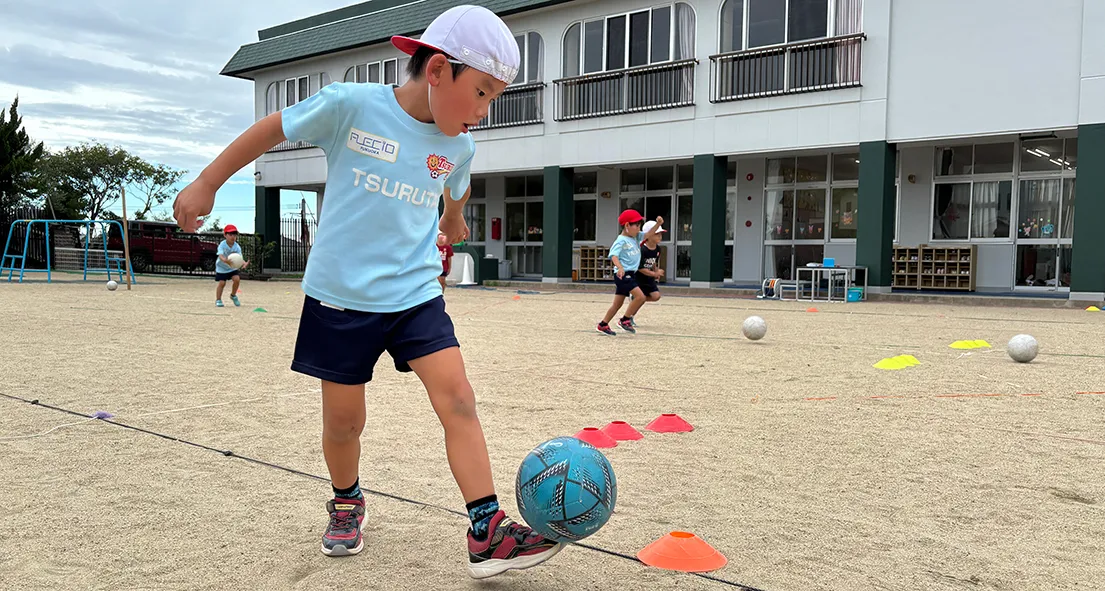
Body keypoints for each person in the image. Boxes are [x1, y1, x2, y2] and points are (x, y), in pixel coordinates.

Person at [171, 5, 561, 578]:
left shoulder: (459, 147)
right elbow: (270, 130)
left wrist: (453, 220)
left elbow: (456, 185)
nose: (482, 112)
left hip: (414, 296)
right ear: (436, 72)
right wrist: (208, 181)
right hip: (340, 298)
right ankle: (347, 501)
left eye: (491, 99)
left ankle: (487, 530)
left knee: (458, 397)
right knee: (344, 423)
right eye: (479, 93)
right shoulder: (351, 106)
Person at [596, 210, 663, 335]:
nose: (639, 228)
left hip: (630, 274)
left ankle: (603, 324)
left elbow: (649, 234)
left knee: (617, 304)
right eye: (636, 225)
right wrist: (620, 267)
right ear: (627, 226)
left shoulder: (636, 237)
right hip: (622, 274)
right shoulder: (621, 240)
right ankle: (625, 320)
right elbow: (614, 255)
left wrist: (658, 224)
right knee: (641, 297)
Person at [630, 220, 665, 323]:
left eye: (660, 234)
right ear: (648, 235)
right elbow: (640, 268)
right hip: (639, 278)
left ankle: (635, 299)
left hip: (648, 277)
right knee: (640, 299)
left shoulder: (658, 249)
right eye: (656, 234)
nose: (660, 236)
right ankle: (629, 316)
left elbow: (653, 262)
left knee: (656, 296)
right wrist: (654, 274)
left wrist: (656, 270)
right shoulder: (641, 249)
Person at [214, 224, 248, 307]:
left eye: (234, 235)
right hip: (221, 268)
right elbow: (220, 255)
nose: (233, 237)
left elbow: (239, 257)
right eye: (230, 234)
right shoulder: (222, 245)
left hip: (232, 267)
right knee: (222, 283)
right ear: (225, 235)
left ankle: (233, 295)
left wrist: (244, 263)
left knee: (237, 279)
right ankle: (218, 299)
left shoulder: (237, 247)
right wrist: (225, 260)